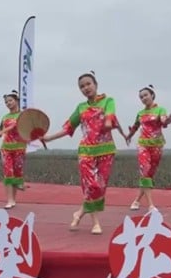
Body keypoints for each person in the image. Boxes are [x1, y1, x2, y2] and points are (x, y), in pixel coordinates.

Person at [41, 71, 125, 235]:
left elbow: (110, 113)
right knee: (92, 186)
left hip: (106, 150)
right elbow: (68, 128)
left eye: (88, 84)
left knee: (100, 187)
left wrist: (108, 122)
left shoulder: (108, 100)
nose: (85, 88)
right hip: (86, 151)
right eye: (82, 86)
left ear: (96, 84)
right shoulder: (81, 108)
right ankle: (95, 222)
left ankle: (79, 213)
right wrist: (49, 138)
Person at [125, 84, 171, 211]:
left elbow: (163, 121)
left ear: (152, 95)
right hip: (143, 145)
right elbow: (135, 127)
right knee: (145, 171)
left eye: (145, 95)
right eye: (141, 97)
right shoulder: (140, 113)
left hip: (157, 145)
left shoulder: (160, 110)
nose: (143, 98)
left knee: (149, 176)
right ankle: (151, 205)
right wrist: (128, 136)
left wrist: (167, 120)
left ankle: (136, 201)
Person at [0, 90, 27, 209]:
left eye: (10, 100)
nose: (8, 103)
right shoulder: (5, 117)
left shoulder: (23, 115)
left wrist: (3, 131)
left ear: (17, 100)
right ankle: (10, 200)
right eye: (6, 102)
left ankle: (14, 198)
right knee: (8, 173)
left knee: (17, 174)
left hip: (19, 147)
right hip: (6, 148)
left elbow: (15, 126)